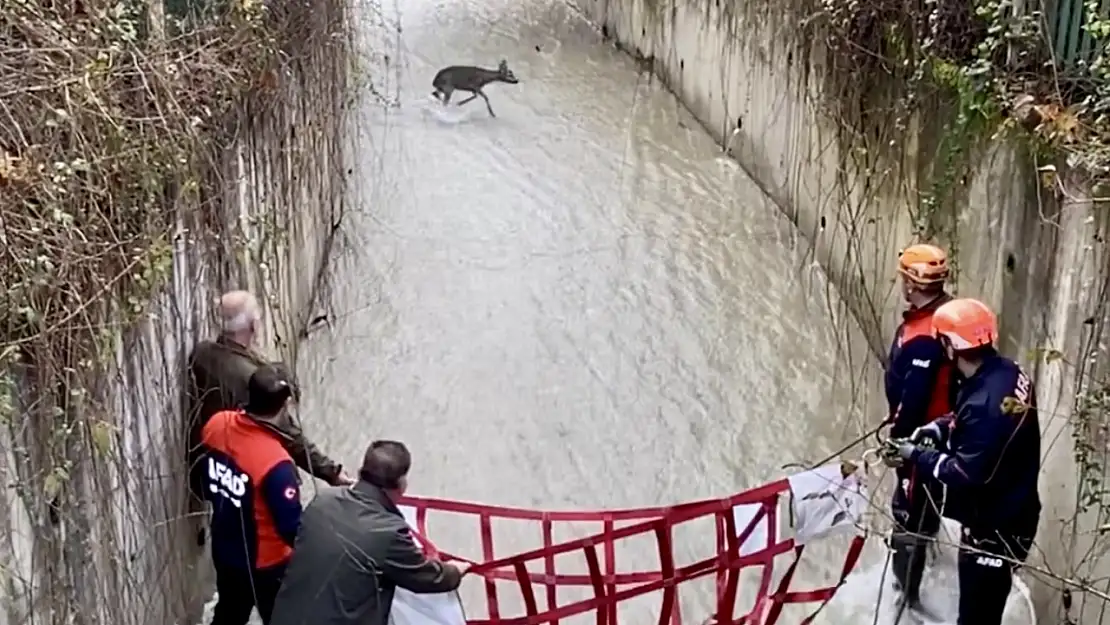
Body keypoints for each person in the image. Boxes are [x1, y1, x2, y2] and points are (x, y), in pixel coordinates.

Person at [886, 298, 1041, 625]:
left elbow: (962, 472)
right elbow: (968, 419)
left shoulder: (985, 404)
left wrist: (916, 455)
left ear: (949, 345)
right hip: (1015, 510)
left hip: (995, 531)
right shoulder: (1006, 373)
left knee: (976, 617)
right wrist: (937, 428)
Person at [270, 440, 471, 625]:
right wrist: (455, 571)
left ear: (360, 472)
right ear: (401, 485)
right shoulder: (390, 532)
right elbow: (427, 577)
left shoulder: (323, 500)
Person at [186, 290, 352, 491]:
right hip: (245, 468)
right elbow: (288, 433)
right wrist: (331, 472)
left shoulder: (201, 353)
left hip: (210, 459)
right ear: (253, 326)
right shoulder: (254, 380)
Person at [197, 365, 304, 625]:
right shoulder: (275, 464)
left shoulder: (217, 424)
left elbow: (202, 476)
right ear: (285, 405)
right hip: (266, 564)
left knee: (229, 614)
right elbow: (292, 529)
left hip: (224, 547)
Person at [882, 243, 956, 612]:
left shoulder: (924, 336)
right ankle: (921, 561)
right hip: (942, 433)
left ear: (911, 283)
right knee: (926, 507)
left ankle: (905, 601)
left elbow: (915, 398)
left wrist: (897, 444)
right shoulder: (948, 315)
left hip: (922, 440)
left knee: (908, 515)